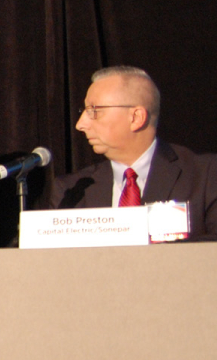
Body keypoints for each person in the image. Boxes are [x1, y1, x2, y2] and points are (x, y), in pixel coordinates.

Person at [52, 66, 217, 237]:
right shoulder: (71, 191)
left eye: (94, 111)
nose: (80, 124)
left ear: (136, 118)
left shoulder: (205, 176)